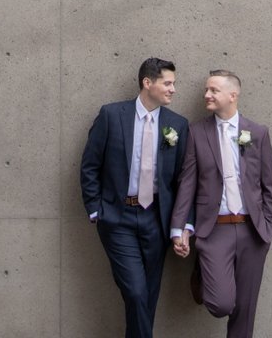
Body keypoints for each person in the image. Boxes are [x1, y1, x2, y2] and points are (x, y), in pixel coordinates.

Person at [80, 57, 189, 338]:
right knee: (137, 292)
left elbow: (183, 180)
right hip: (118, 218)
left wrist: (181, 225)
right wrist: (96, 210)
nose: (173, 89)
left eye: (173, 84)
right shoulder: (112, 115)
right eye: (168, 83)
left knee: (148, 296)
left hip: (157, 219)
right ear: (147, 83)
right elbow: (90, 165)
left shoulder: (178, 124)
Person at [169, 70, 272, 338]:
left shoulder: (258, 132)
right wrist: (179, 227)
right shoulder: (196, 132)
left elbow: (268, 184)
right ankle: (205, 271)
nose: (207, 95)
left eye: (213, 90)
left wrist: (269, 228)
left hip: (253, 231)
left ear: (233, 95)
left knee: (245, 310)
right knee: (222, 304)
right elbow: (187, 183)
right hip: (214, 230)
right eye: (207, 90)